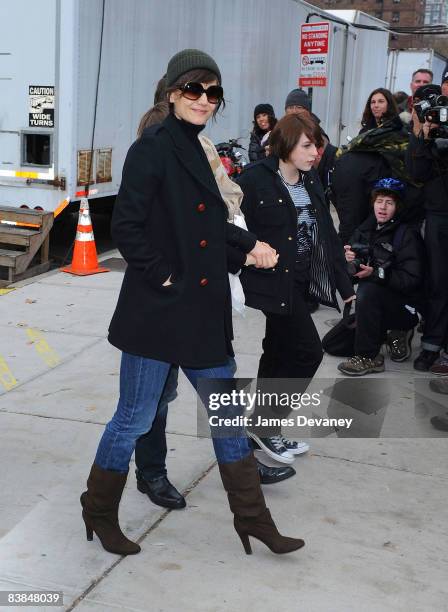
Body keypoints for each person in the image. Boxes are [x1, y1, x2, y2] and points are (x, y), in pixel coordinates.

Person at [80, 48, 305, 557]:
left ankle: (253, 520)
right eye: (193, 90)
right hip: (157, 313)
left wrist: (249, 246)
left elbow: (207, 224)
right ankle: (97, 509)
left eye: (212, 92)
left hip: (202, 314)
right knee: (134, 417)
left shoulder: (199, 146)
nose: (204, 99)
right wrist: (163, 279)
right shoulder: (152, 148)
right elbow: (127, 229)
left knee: (226, 414)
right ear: (172, 92)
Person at [133, 96, 296, 512]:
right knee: (157, 397)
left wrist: (246, 250)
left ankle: (239, 463)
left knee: (221, 389)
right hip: (167, 309)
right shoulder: (159, 170)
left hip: (204, 301)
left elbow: (214, 227)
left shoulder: (197, 156)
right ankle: (151, 473)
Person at [237, 113, 355, 462]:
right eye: (307, 145)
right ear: (286, 145)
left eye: (317, 144)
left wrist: (344, 286)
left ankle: (260, 430)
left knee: (276, 353)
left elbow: (328, 236)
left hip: (302, 281)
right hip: (274, 284)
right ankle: (265, 426)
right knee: (307, 353)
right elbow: (233, 229)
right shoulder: (255, 180)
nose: (316, 152)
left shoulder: (311, 181)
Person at [338, 179, 424, 376]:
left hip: (405, 307)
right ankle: (385, 334)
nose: (383, 207)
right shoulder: (365, 229)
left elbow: (412, 280)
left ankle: (370, 356)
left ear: (397, 207)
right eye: (379, 201)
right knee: (333, 344)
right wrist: (347, 261)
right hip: (375, 305)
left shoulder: (407, 234)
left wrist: (376, 273)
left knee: (368, 289)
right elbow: (349, 276)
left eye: (389, 203)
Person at [406, 84, 448, 373]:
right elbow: (416, 173)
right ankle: (432, 345)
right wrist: (422, 134)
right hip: (438, 214)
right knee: (438, 282)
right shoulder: (429, 128)